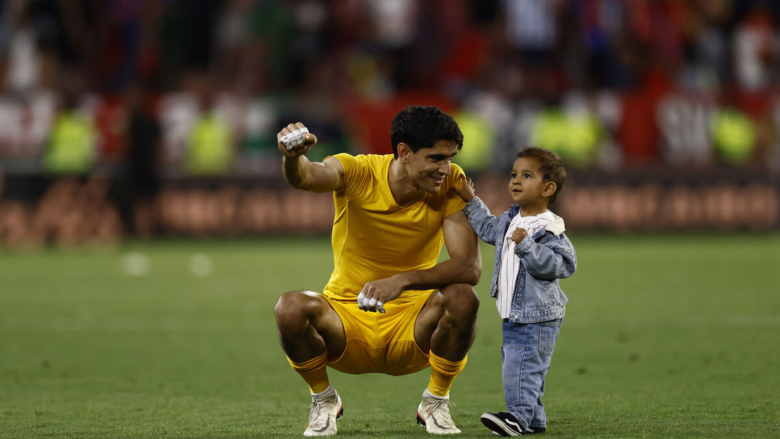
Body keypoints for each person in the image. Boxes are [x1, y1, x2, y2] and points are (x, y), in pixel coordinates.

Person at [273, 106, 482, 436]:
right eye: (436, 158)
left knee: (463, 297)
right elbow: (307, 177)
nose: (445, 168)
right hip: (346, 320)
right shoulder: (357, 171)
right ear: (404, 152)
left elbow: (469, 267)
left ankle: (436, 401)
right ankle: (324, 400)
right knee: (289, 307)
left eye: (449, 158)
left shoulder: (452, 182)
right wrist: (292, 158)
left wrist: (402, 281)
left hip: (415, 324)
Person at [452, 147, 577, 437]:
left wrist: (528, 246)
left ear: (548, 188)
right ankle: (533, 419)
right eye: (513, 174)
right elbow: (487, 228)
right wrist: (471, 200)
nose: (516, 180)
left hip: (535, 315)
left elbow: (563, 264)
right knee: (526, 367)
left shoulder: (548, 227)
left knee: (518, 366)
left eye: (527, 175)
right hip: (517, 313)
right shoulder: (511, 219)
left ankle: (517, 418)